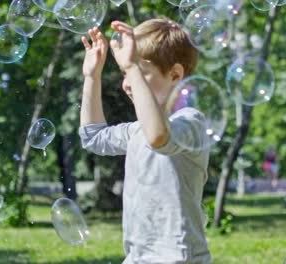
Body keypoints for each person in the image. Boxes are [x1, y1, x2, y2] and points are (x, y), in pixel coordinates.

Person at [78, 19, 211, 263]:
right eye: (125, 73)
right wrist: (92, 77)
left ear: (175, 75)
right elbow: (93, 137)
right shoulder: (137, 131)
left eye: (138, 71)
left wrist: (130, 66)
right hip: (138, 258)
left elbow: (159, 137)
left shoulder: (191, 123)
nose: (127, 83)